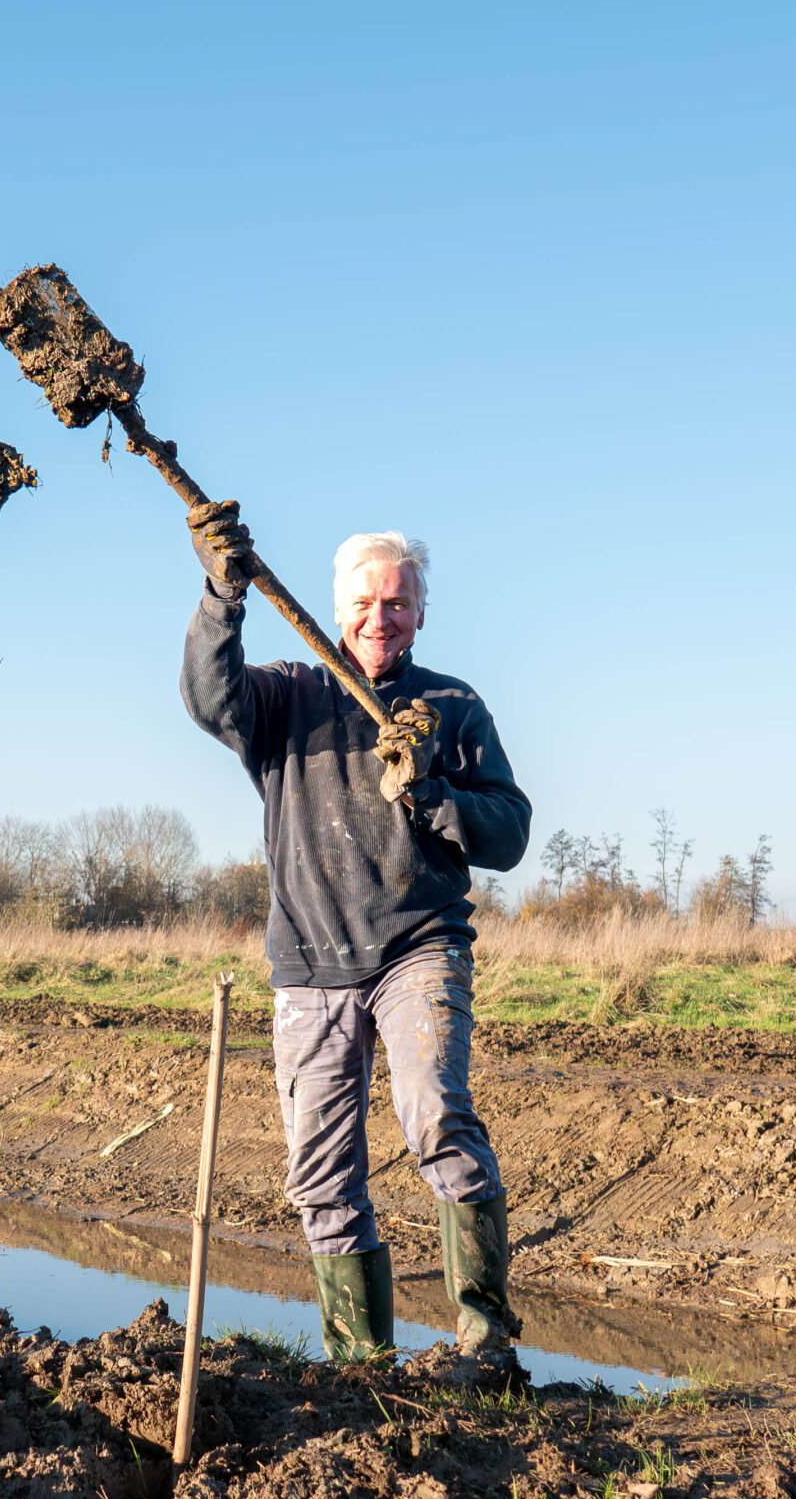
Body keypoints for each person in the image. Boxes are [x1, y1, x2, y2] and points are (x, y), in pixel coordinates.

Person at [179, 505, 533, 1385]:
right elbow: (206, 696)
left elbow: (510, 831)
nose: (384, 618)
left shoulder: (451, 708)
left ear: (421, 614)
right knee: (321, 1176)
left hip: (420, 949)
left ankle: (485, 1342)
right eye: (369, 602)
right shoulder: (286, 696)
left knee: (437, 1112)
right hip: (310, 963)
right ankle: (362, 1366)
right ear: (341, 610)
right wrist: (224, 593)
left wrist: (435, 793)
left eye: (401, 603)